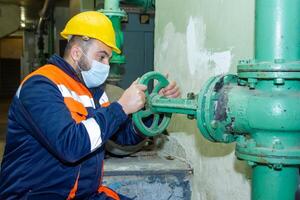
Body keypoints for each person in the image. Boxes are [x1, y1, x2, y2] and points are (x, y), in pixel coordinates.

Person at [0, 11, 180, 199]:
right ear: (77, 53)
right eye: (101, 57)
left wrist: (154, 109)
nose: (106, 65)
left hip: (84, 194)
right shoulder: (40, 86)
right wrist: (120, 108)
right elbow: (70, 146)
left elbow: (123, 136)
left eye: (108, 59)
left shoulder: (94, 93)